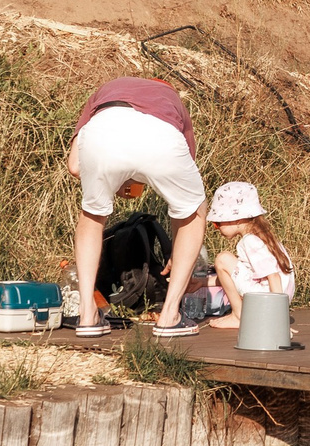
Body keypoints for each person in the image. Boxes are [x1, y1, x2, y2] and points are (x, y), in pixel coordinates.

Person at [66, 75, 208, 337]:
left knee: (92, 213)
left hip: (102, 132)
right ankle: (170, 316)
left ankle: (87, 315)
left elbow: (74, 166)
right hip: (160, 135)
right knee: (194, 210)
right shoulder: (173, 99)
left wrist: (120, 179)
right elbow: (186, 170)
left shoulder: (104, 91)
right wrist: (178, 251)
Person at [201, 180, 294, 333]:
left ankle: (238, 316)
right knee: (226, 263)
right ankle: (243, 314)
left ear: (237, 219)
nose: (216, 228)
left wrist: (279, 321)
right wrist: (201, 283)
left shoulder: (251, 241)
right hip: (276, 298)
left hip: (269, 301)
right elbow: (236, 277)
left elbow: (273, 277)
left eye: (217, 223)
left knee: (223, 259)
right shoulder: (265, 238)